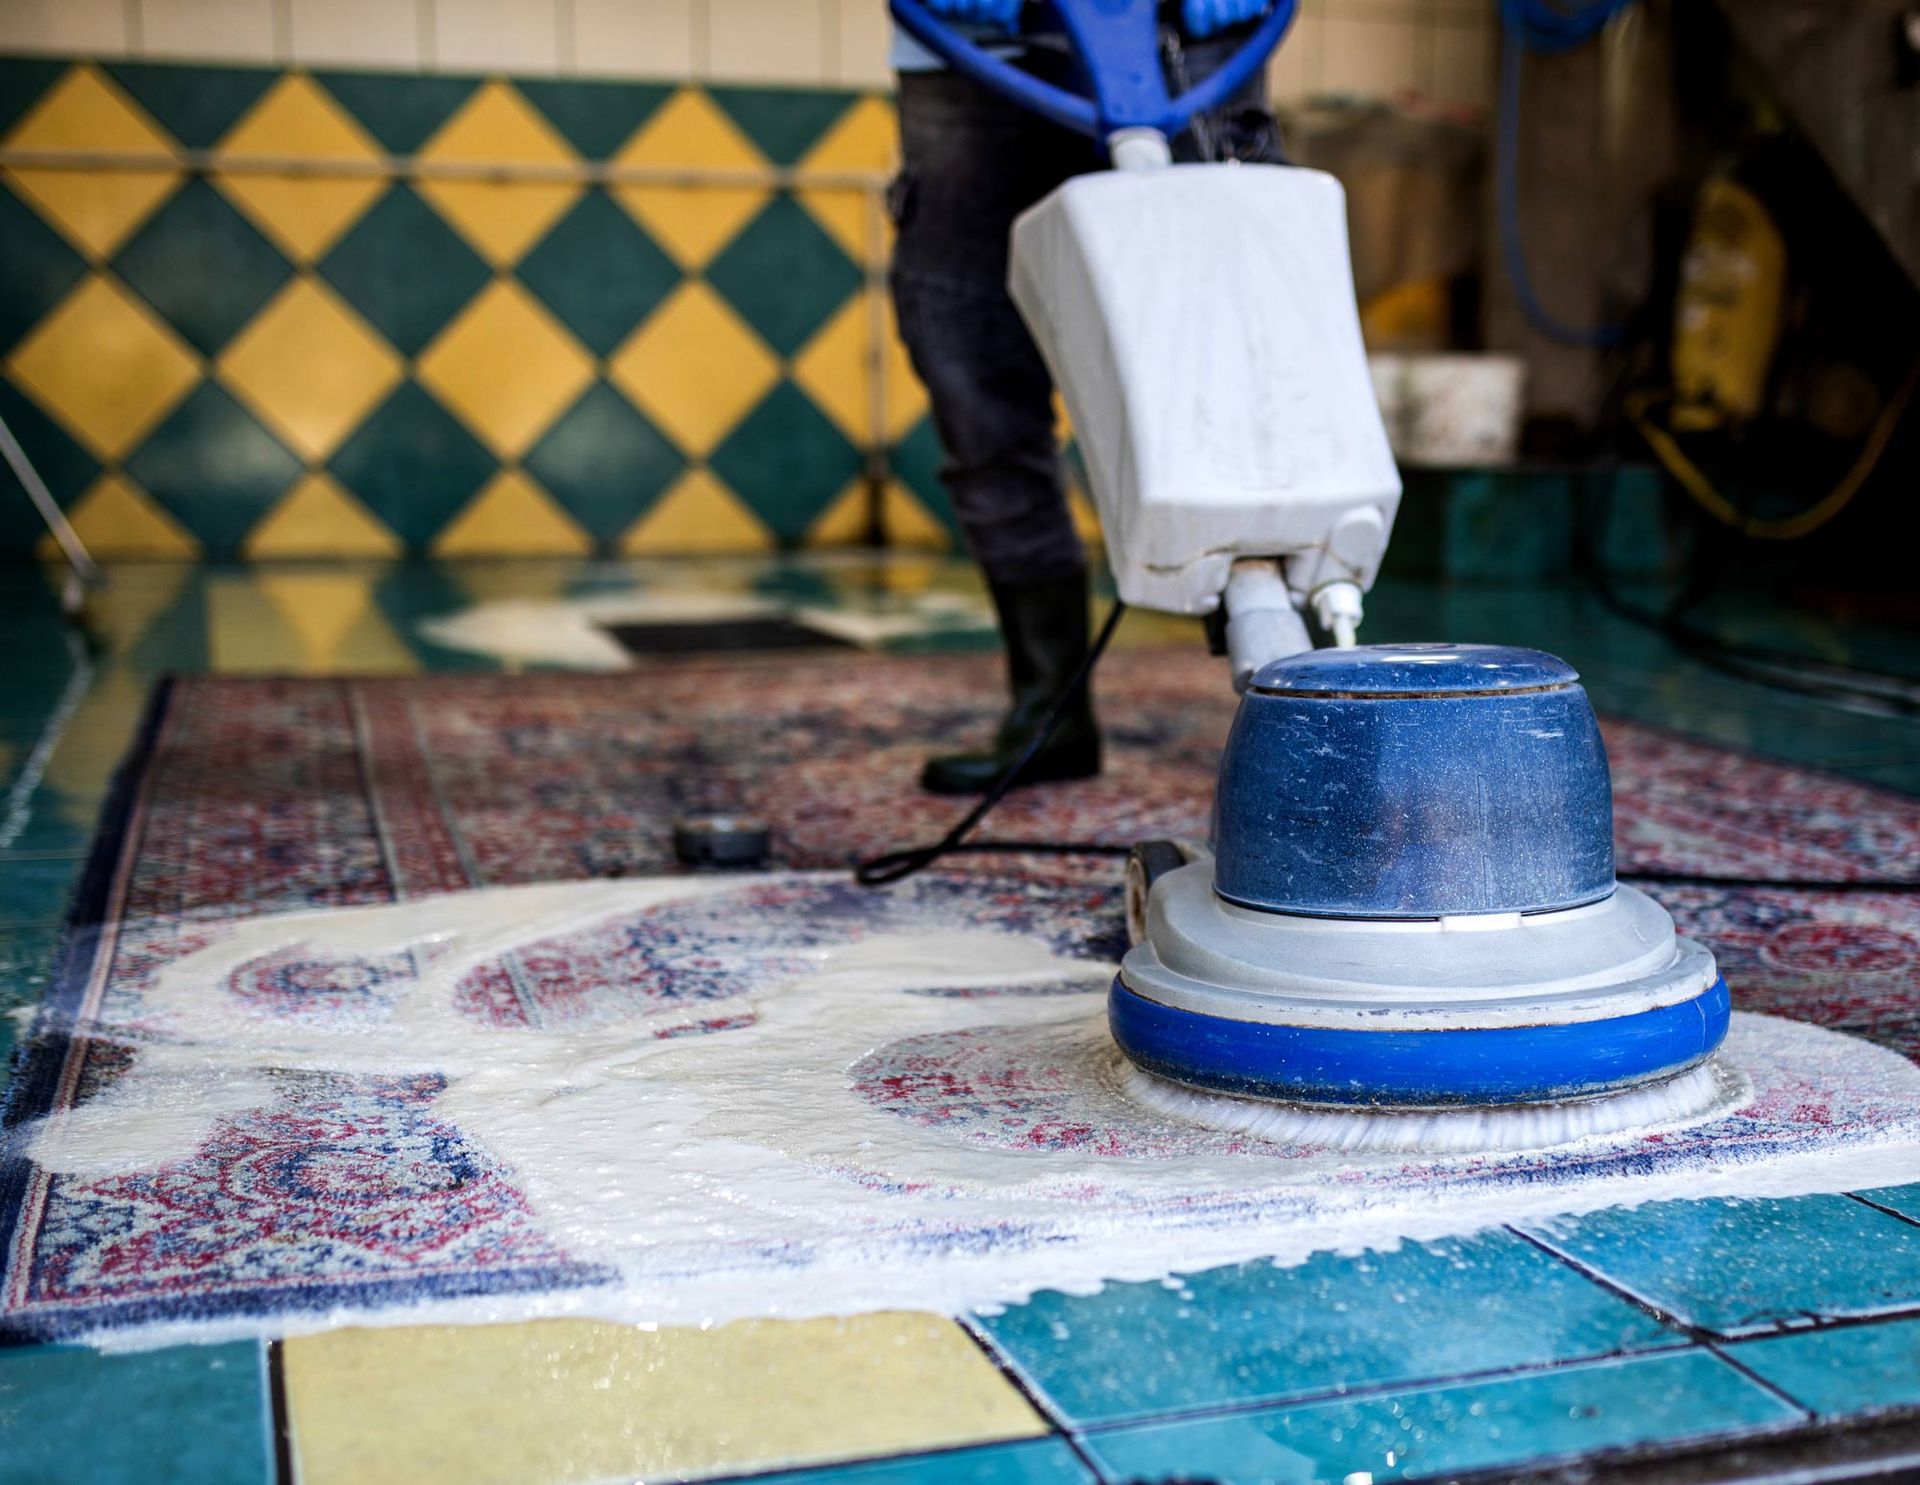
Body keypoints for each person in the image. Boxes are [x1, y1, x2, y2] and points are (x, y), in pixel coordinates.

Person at [890, 0, 1282, 794]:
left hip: (1193, 31)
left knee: (1243, 354)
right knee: (971, 355)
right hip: (968, 38)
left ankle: (1313, 698)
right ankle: (1049, 710)